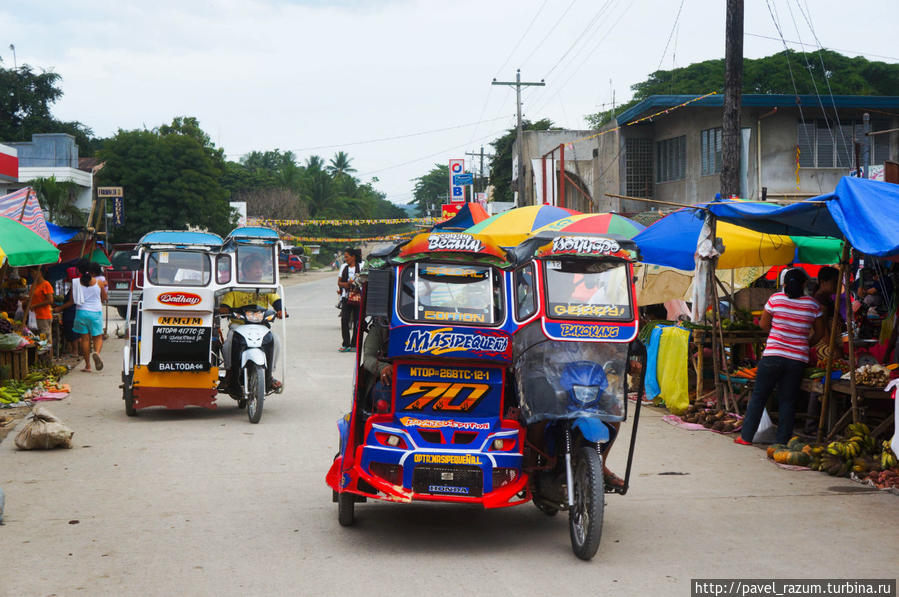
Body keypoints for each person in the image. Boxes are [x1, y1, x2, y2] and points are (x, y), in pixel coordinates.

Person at [736, 269, 825, 446]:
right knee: (788, 400)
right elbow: (820, 332)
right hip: (797, 359)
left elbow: (763, 324)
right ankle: (782, 442)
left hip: (772, 356)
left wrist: (779, 335)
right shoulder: (812, 305)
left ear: (784, 284)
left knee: (759, 396)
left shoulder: (775, 299)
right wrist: (805, 343)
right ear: (804, 284)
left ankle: (746, 437)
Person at [219, 253, 283, 390]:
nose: (259, 271)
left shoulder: (265, 287)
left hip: (261, 325)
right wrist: (225, 310)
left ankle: (269, 375)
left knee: (275, 340)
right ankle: (230, 374)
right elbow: (225, 306)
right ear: (246, 270)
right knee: (229, 342)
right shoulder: (234, 288)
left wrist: (280, 309)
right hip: (239, 325)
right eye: (256, 268)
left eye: (261, 268)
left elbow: (276, 299)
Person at [54, 260, 107, 372]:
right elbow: (104, 298)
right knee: (98, 337)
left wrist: (60, 308)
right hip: (95, 312)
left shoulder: (76, 283)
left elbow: (71, 302)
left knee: (85, 340)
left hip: (81, 313)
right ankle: (96, 353)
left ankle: (88, 366)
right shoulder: (99, 282)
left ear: (78, 270)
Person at [362, 317, 392, 411]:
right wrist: (383, 367)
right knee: (383, 394)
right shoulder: (381, 327)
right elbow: (368, 358)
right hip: (389, 378)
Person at [337, 248, 363, 352]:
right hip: (346, 297)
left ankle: (354, 344)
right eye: (345, 256)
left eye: (347, 256)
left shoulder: (361, 267)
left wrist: (356, 284)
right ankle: (346, 344)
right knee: (344, 320)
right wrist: (347, 284)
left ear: (353, 257)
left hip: (358, 298)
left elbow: (365, 280)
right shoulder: (343, 267)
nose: (345, 258)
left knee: (357, 322)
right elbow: (339, 283)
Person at [27, 266, 54, 340]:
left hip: (43, 317)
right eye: (31, 273)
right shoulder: (33, 285)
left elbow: (50, 300)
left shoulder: (46, 284)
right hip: (34, 317)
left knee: (44, 340)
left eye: (33, 272)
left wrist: (35, 305)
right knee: (34, 339)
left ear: (40, 273)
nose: (32, 275)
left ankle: (48, 352)